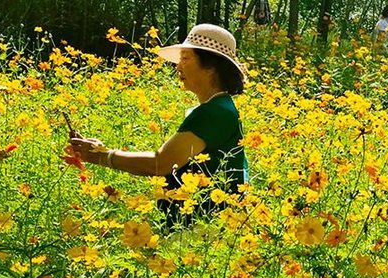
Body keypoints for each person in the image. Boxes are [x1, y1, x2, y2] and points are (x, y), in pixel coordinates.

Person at [62, 23, 249, 235]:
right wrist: (99, 152)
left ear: (211, 66)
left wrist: (101, 156)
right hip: (197, 226)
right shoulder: (216, 108)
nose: (178, 66)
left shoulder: (216, 112)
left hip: (204, 231)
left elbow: (161, 164)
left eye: (186, 58)